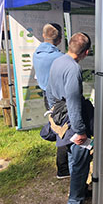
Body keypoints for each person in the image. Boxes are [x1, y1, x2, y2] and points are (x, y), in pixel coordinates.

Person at [46, 32, 93, 204]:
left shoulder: (57, 61)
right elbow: (73, 103)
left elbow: (49, 90)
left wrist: (55, 114)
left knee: (75, 161)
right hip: (73, 124)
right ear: (86, 52)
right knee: (80, 163)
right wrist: (80, 131)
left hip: (61, 119)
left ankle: (79, 192)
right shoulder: (74, 69)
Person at [33, 23, 70, 179]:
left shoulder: (37, 53)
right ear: (60, 39)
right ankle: (63, 169)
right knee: (64, 131)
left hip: (47, 97)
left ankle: (64, 164)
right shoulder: (60, 58)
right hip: (59, 99)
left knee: (58, 127)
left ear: (43, 35)